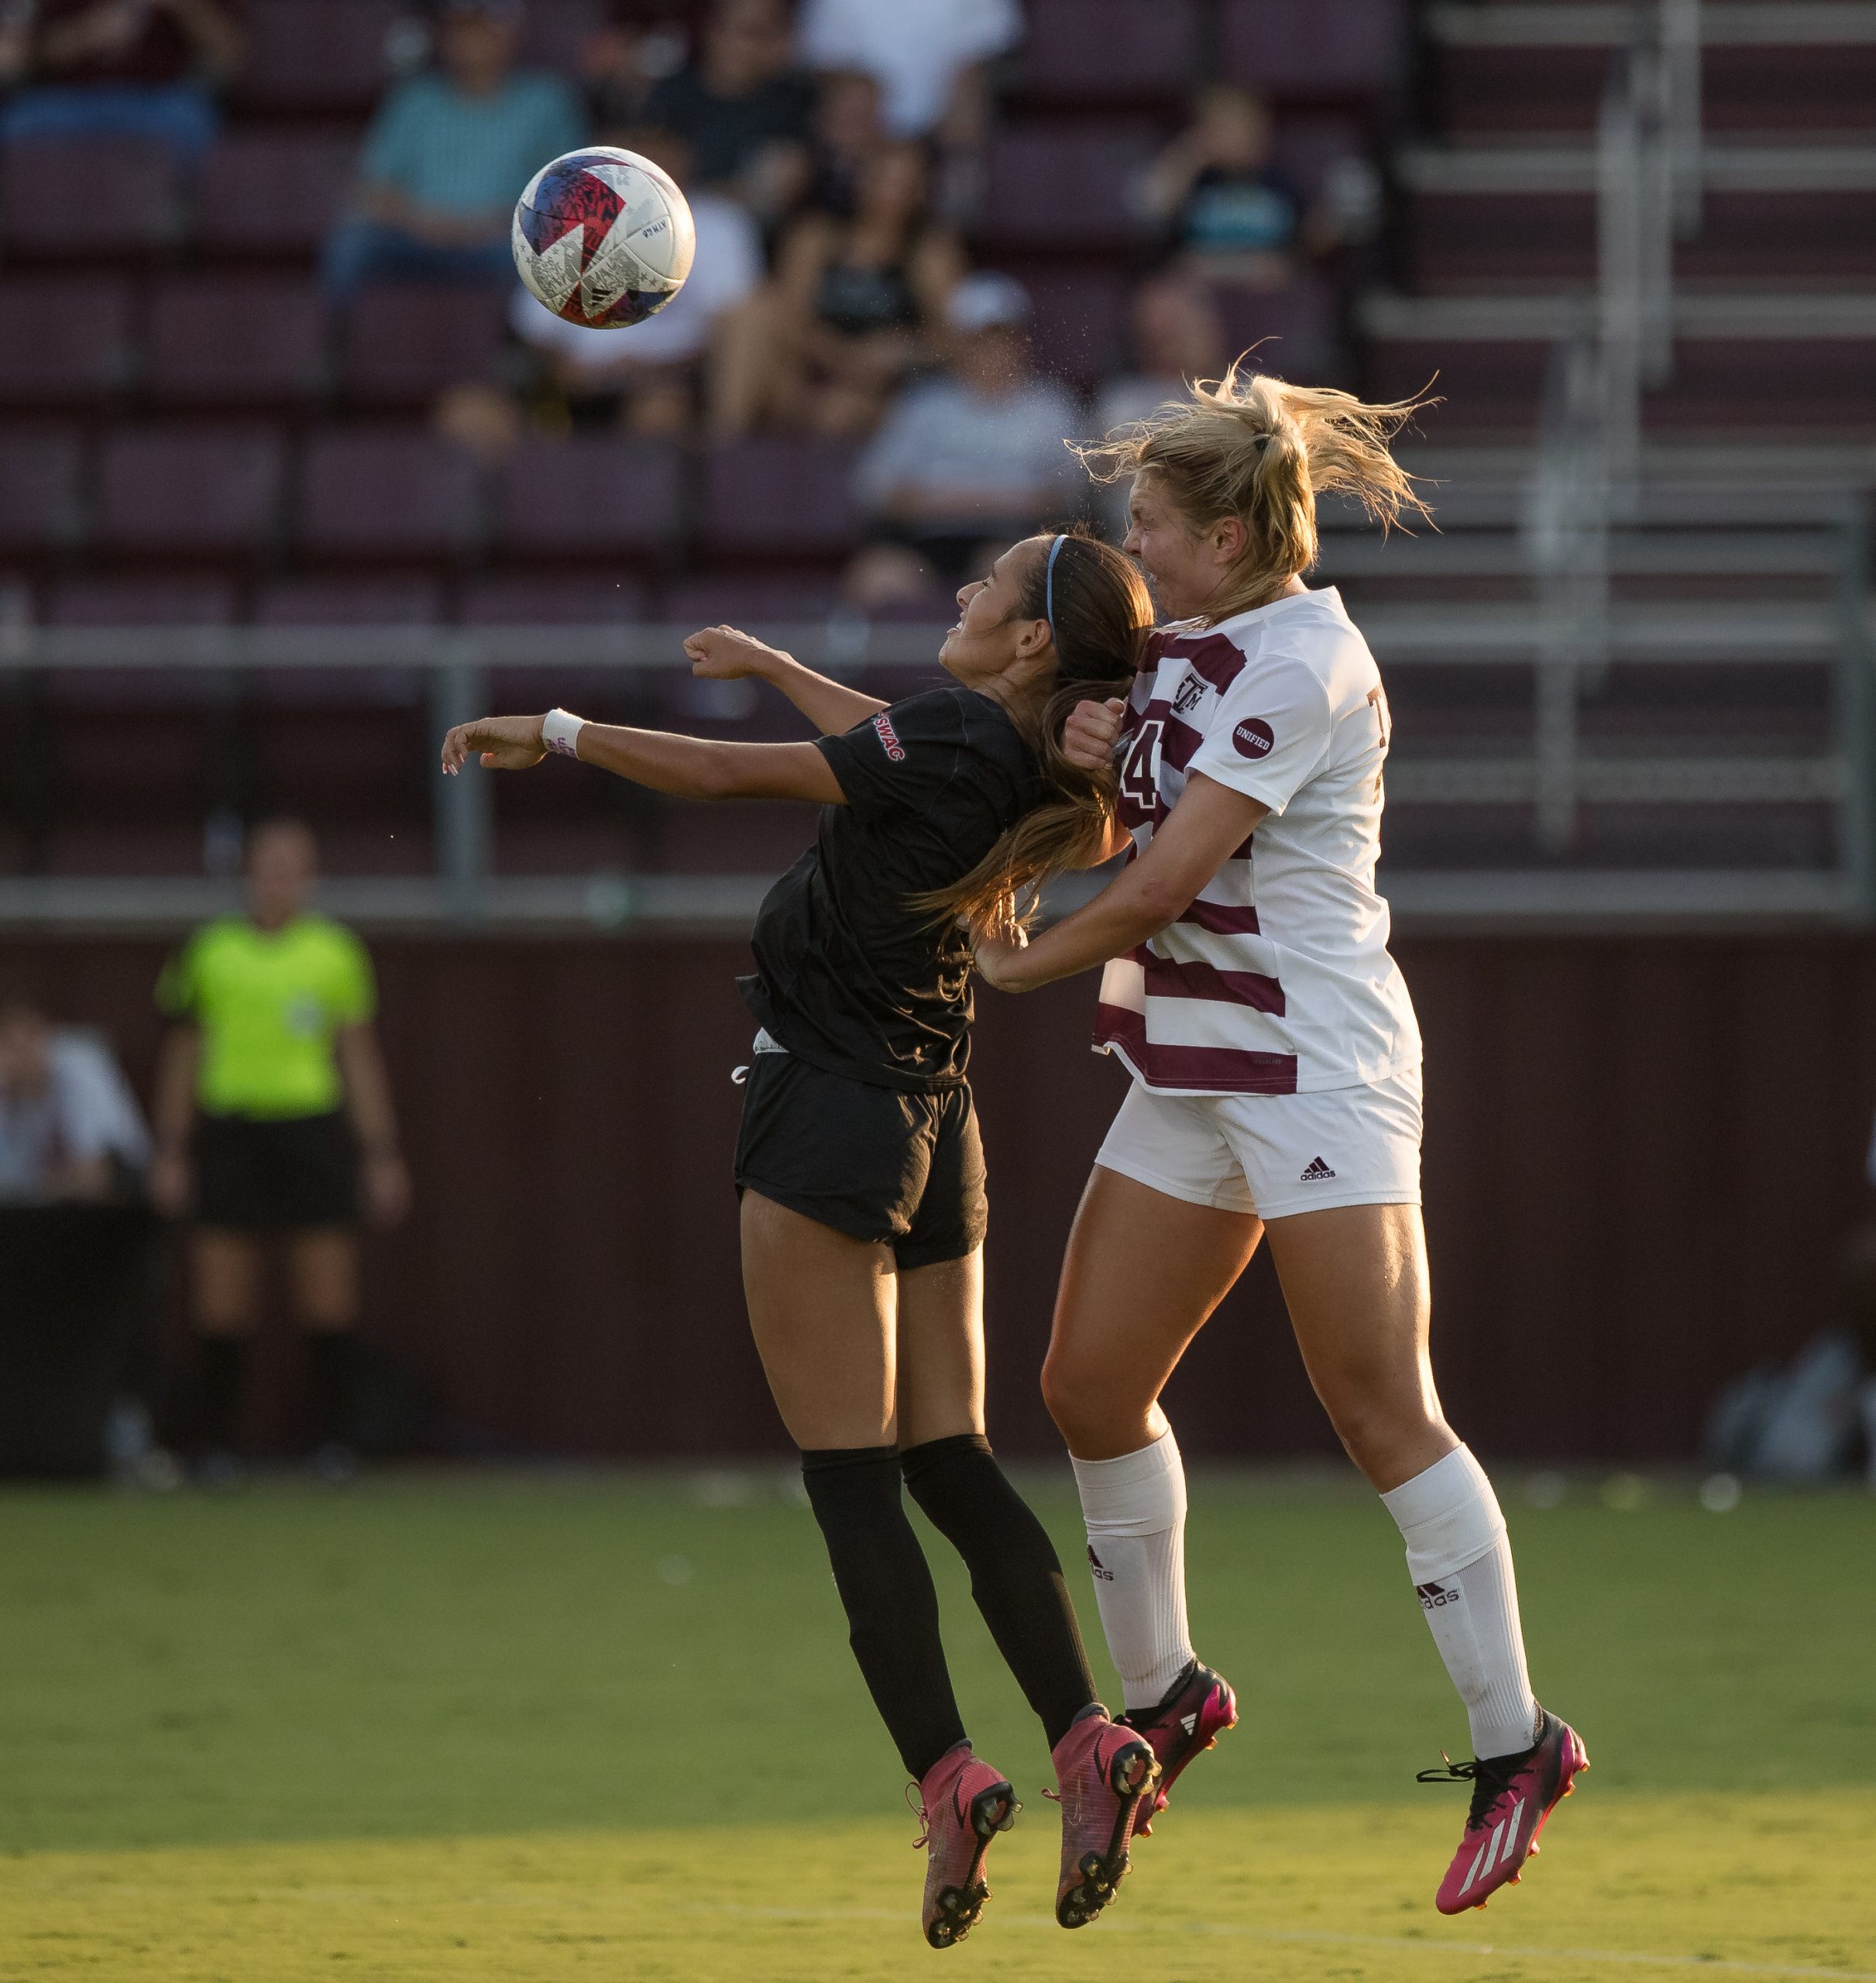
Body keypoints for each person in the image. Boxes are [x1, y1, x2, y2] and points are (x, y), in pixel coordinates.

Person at [439, 534, 1165, 1947]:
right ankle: (1086, 1735)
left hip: (825, 1111)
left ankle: (949, 1781)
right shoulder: (1048, 775)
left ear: (1029, 646)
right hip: (936, 1128)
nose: (962, 594)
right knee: (948, 1460)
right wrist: (777, 668)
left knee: (848, 1486)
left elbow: (725, 776)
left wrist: (562, 730)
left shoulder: (956, 732)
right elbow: (891, 751)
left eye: (988, 587)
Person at [974, 367, 1590, 1917]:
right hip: (1194, 1060)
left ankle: (1515, 1739)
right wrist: (1083, 738)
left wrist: (1001, 954)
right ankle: (1169, 1688)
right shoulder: (1189, 640)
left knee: (1381, 1407)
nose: (1138, 554)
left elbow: (1156, 885)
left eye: (1157, 527)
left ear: (1238, 533)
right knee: (1085, 1385)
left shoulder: (1304, 663)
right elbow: (1121, 794)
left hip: (1313, 1069)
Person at [150, 820, 411, 1478]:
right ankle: (216, 1449)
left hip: (311, 1126)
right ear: (248, 873)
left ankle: (333, 1444)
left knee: (327, 1292)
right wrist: (172, 1147)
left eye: (293, 865)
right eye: (268, 863)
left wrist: (380, 1151)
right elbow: (182, 1050)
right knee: (220, 1295)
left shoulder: (334, 953)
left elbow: (358, 1056)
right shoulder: (210, 950)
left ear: (311, 876)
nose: (279, 877)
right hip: (231, 1127)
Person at [321, 0, 584, 303]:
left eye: (483, 30)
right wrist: (422, 221)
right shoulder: (414, 98)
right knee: (353, 244)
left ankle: (520, 350)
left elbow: (569, 195)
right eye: (460, 30)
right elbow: (372, 189)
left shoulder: (547, 100)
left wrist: (490, 224)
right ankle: (337, 347)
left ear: (510, 34)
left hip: (502, 240)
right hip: (415, 236)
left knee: (548, 256)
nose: (471, 42)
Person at [510, 125, 766, 435]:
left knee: (656, 413)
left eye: (663, 150)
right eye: (639, 152)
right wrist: (563, 370)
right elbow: (534, 331)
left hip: (672, 381)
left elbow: (733, 329)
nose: (652, 161)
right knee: (474, 415)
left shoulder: (718, 222)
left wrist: (654, 370)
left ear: (686, 157)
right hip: (577, 386)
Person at [853, 272, 1080, 582]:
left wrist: (957, 499)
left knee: (999, 571)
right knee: (878, 575)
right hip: (927, 543)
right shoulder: (922, 406)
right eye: (979, 340)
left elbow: (1066, 493)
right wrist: (982, 500)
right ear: (957, 344)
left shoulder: (1050, 407)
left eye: (1003, 338)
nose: (992, 351)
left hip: (1013, 541)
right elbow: (878, 490)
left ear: (1021, 341)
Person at [765, 139, 964, 435]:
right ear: (862, 180)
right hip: (814, 371)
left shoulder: (931, 252)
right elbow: (788, 319)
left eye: (904, 183)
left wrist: (904, 351)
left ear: (920, 191)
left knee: (842, 412)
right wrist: (844, 358)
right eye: (884, 179)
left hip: (892, 387)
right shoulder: (816, 238)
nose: (891, 193)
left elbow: (952, 337)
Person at [1133, 85, 1338, 291]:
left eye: (1244, 126)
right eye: (1222, 128)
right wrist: (1193, 153)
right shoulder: (1196, 183)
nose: (1234, 137)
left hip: (1265, 295)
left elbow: (1307, 241)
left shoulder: (1281, 184)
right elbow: (1152, 207)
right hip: (1201, 292)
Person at [638, 0, 813, 225]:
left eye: (766, 33)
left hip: (757, 234)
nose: (756, 45)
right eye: (747, 32)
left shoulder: (792, 101)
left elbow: (784, 188)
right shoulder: (672, 93)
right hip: (673, 222)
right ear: (712, 31)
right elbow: (648, 175)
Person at [0, 0, 246, 157]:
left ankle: (176, 226)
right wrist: (86, 35)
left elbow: (233, 58)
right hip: (71, 101)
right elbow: (24, 59)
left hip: (158, 101)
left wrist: (189, 8)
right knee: (17, 125)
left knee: (193, 122)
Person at [0, 978, 149, 1203]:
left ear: (40, 1033)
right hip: (54, 1209)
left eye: (14, 1044)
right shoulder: (12, 1090)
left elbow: (95, 1177)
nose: (9, 1057)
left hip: (125, 1199)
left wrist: (37, 1186)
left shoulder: (79, 1065)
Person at [798, 0, 1019, 146]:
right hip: (865, 133)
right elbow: (827, 61)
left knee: (970, 113)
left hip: (947, 125)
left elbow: (988, 49)